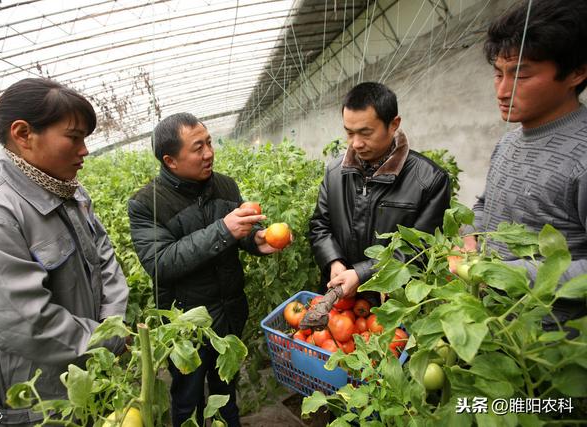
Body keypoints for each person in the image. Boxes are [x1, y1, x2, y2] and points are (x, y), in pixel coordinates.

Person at [0, 78, 129, 426]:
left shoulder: (68, 191)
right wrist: (107, 342)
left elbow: (103, 255)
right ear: (23, 134)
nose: (85, 150)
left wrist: (114, 320)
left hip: (91, 375)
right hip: (38, 404)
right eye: (74, 137)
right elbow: (23, 321)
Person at [127, 113, 288, 427]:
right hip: (185, 324)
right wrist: (224, 230)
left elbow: (237, 235)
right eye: (198, 148)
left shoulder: (225, 185)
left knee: (225, 387)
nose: (209, 153)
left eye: (209, 143)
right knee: (187, 395)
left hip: (229, 310)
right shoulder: (147, 204)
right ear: (170, 161)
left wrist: (257, 242)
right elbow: (161, 263)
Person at [450, 0, 587, 329]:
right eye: (499, 73)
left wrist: (503, 274)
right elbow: (489, 203)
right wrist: (470, 235)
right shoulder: (509, 142)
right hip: (496, 332)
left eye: (520, 75)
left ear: (576, 72)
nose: (502, 90)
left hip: (549, 351)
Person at [309, 82, 451, 298]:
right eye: (349, 133)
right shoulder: (335, 172)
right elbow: (320, 225)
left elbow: (420, 249)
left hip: (394, 303)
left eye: (366, 133)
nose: (356, 143)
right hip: (339, 299)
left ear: (394, 124)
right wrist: (333, 260)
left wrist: (363, 274)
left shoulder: (430, 180)